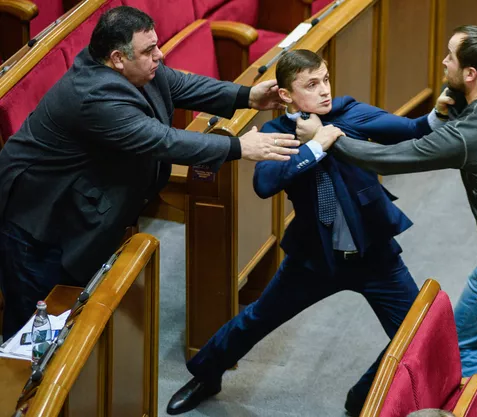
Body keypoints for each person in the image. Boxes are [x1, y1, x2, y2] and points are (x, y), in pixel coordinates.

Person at [166, 49, 453, 416]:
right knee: (257, 319)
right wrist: (316, 144)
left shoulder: (349, 113)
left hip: (373, 254)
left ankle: (364, 395)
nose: (324, 90)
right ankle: (206, 376)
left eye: (326, 80)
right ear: (286, 95)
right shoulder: (277, 133)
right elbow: (265, 185)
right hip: (315, 258)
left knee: (417, 332)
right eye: (312, 84)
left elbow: (412, 130)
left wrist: (438, 113)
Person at [0, 6, 301, 341]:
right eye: (149, 50)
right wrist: (238, 147)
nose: (159, 55)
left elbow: (182, 85)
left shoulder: (132, 69)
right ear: (118, 58)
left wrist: (247, 96)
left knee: (70, 316)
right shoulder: (95, 97)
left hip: (77, 201)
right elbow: (162, 140)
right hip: (38, 223)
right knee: (32, 332)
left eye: (156, 45)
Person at [319, 26, 477, 417]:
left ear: (471, 73)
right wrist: (449, 105)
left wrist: (329, 139)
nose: (443, 62)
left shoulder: (466, 137)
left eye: (451, 58)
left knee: (459, 348)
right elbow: (474, 112)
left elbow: (389, 159)